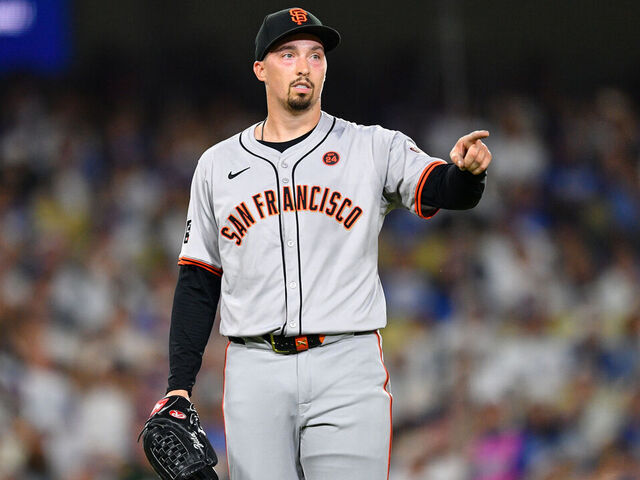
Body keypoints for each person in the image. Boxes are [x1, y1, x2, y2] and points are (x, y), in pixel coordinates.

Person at [161, 7, 491, 480]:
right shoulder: (217, 164)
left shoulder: (372, 147)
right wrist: (179, 386)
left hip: (346, 361)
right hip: (255, 368)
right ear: (260, 69)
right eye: (288, 53)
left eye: (315, 55)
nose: (304, 66)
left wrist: (466, 173)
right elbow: (198, 279)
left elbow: (443, 188)